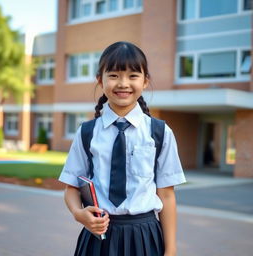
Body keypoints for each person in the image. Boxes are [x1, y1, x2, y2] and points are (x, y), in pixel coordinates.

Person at [59, 41, 186, 256]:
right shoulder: (87, 132)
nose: (123, 83)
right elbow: (71, 186)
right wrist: (78, 213)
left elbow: (166, 196)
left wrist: (171, 250)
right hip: (99, 235)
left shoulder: (160, 132)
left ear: (146, 81)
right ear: (100, 80)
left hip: (145, 236)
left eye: (133, 76)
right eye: (114, 75)